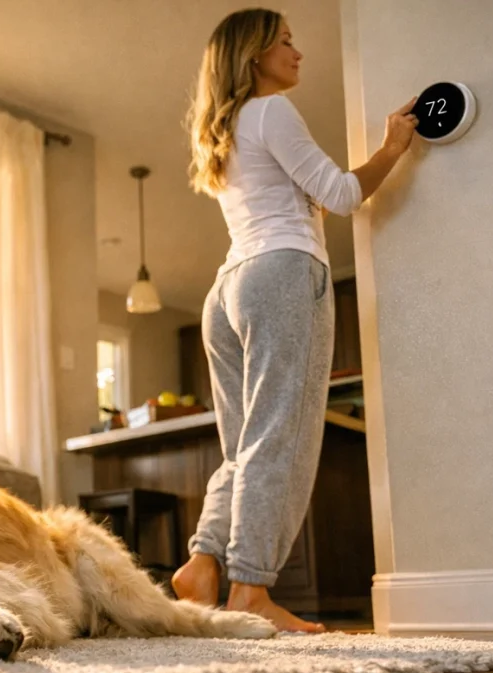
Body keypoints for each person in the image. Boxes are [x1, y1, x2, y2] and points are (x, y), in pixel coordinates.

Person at [171, 8, 418, 633]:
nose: (297, 52)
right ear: (254, 55)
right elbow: (340, 192)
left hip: (228, 290)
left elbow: (307, 201)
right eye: (284, 41)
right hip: (280, 277)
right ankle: (251, 589)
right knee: (279, 436)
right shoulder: (271, 110)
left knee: (243, 445)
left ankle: (203, 565)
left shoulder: (223, 132)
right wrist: (392, 147)